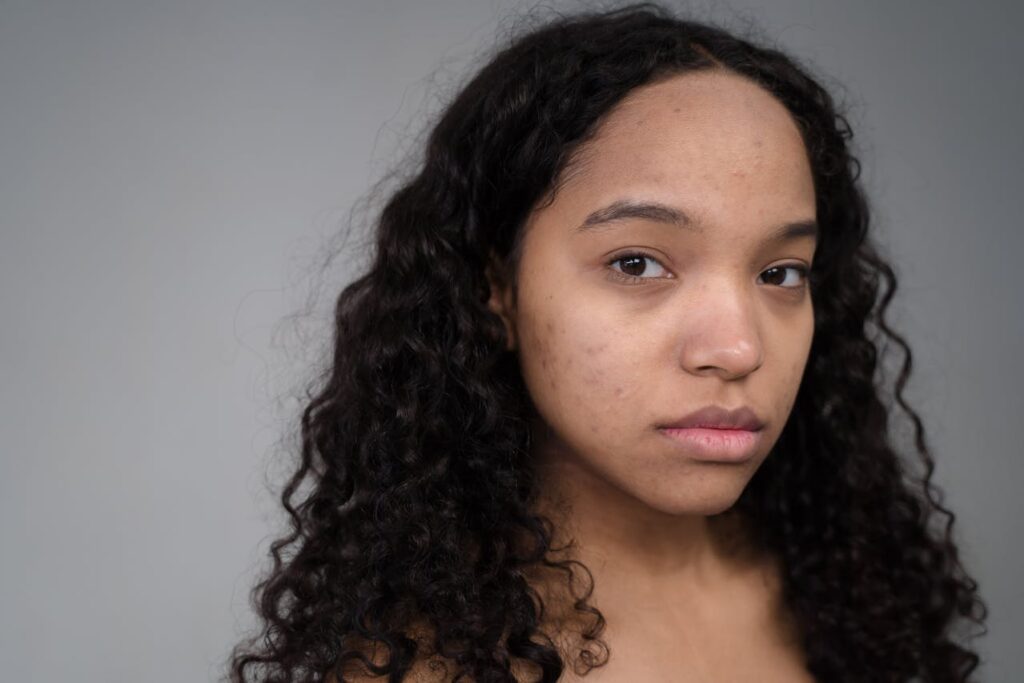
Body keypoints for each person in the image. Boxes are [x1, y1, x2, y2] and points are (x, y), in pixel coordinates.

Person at [226, 4, 987, 682]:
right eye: (637, 263)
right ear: (496, 287)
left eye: (780, 272)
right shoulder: (429, 667)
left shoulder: (850, 592)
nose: (738, 349)